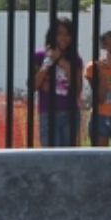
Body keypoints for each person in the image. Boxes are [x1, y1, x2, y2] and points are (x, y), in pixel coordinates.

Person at [31, 15, 83, 148]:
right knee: (50, 157)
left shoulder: (75, 59)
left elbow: (77, 90)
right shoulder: (40, 56)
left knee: (69, 157)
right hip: (47, 113)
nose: (63, 38)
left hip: (70, 114)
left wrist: (61, 61)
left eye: (67, 34)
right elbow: (34, 85)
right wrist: (48, 62)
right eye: (59, 34)